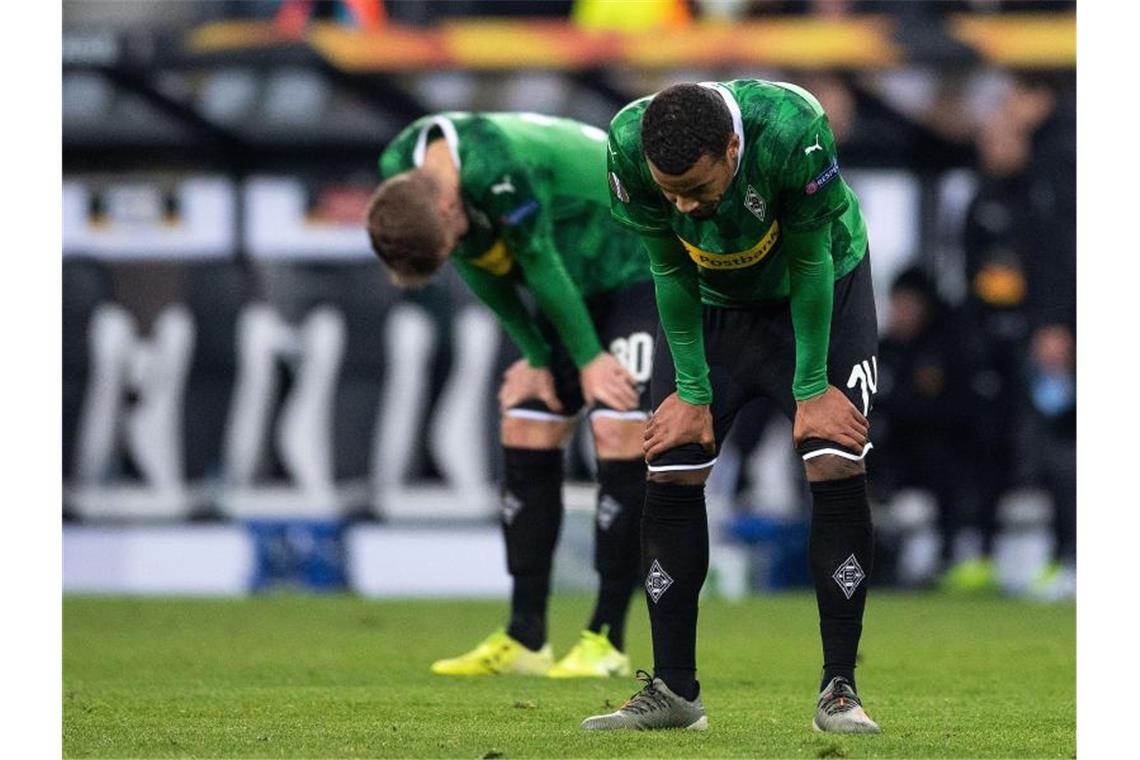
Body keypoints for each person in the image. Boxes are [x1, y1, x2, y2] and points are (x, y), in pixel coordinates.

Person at [581, 81, 880, 733]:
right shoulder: (628, 147)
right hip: (711, 304)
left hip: (819, 289)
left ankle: (840, 690)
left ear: (733, 147)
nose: (685, 204)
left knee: (833, 458)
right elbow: (666, 267)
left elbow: (809, 259)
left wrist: (811, 390)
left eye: (697, 186)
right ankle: (674, 692)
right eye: (672, 192)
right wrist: (690, 390)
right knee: (671, 462)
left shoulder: (792, 128)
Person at [368, 112, 657, 678]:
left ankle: (606, 639)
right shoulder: (399, 171)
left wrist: (588, 359)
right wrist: (534, 355)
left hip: (630, 262)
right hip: (565, 280)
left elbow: (537, 259)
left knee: (618, 422)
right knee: (527, 420)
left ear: (450, 208)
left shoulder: (495, 165)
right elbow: (479, 264)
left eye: (448, 240)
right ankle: (526, 636)